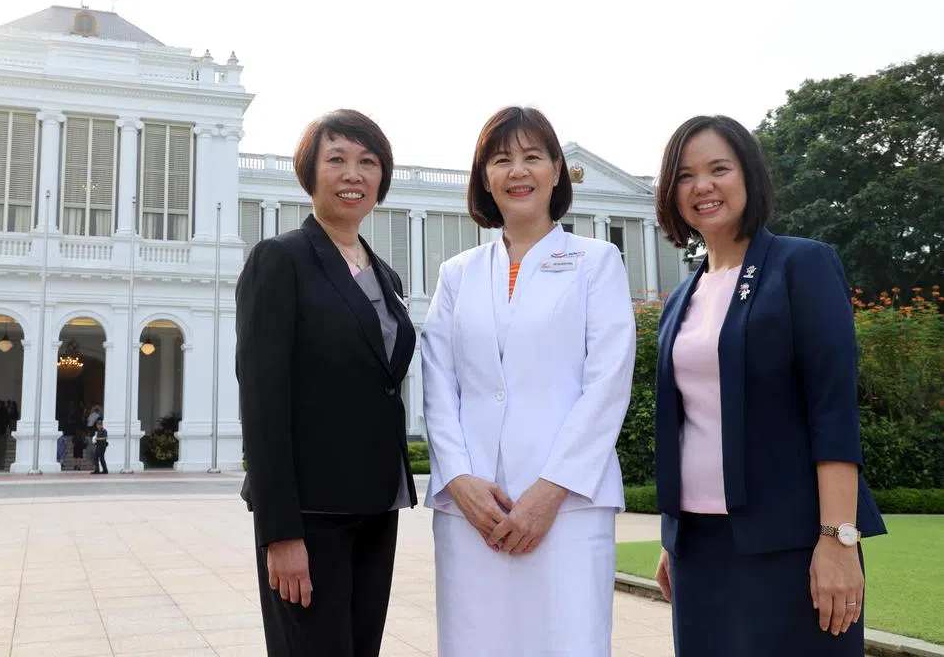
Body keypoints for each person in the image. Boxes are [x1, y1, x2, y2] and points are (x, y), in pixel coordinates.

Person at [651, 115, 887, 656]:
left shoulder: (801, 265)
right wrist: (672, 540)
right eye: (685, 176)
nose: (703, 186)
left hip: (792, 545)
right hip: (698, 549)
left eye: (719, 169)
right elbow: (691, 425)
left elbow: (833, 412)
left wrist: (838, 540)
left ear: (749, 177)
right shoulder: (679, 300)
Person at [421, 106, 636, 655]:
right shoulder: (457, 273)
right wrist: (461, 480)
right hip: (473, 511)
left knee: (567, 641)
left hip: (567, 508)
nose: (518, 171)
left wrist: (549, 491)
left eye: (532, 157)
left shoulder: (597, 261)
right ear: (485, 177)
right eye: (501, 160)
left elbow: (608, 383)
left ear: (558, 170)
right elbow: (438, 385)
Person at [236, 109, 417, 657]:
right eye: (335, 159)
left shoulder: (386, 276)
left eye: (367, 162)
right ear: (310, 173)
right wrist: (280, 532)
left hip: (376, 506)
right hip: (310, 515)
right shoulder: (280, 260)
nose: (352, 174)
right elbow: (262, 401)